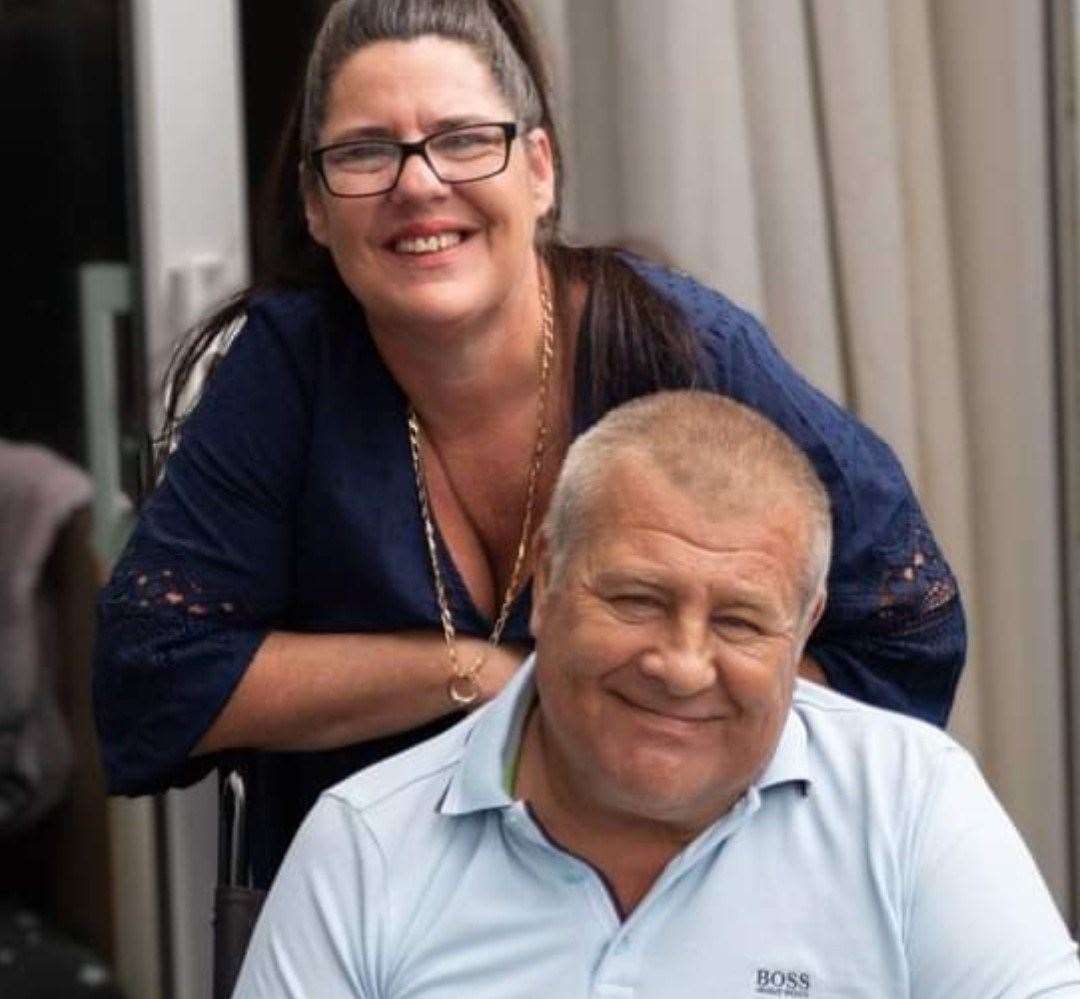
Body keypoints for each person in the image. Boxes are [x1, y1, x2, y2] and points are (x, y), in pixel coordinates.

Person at [92, 0, 965, 888]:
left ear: (539, 170)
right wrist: (476, 671)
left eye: (465, 138)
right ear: (316, 207)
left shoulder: (680, 347)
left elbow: (905, 625)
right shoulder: (289, 370)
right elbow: (153, 675)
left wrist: (663, 734)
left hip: (680, 898)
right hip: (376, 920)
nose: (418, 183)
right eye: (365, 152)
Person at [234, 392, 1078, 999]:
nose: (680, 665)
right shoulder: (367, 846)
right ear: (547, 580)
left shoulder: (909, 801)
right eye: (637, 600)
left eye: (742, 621)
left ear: (807, 622)